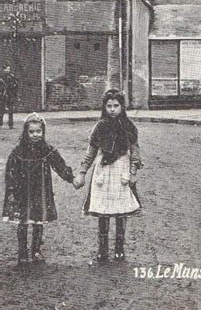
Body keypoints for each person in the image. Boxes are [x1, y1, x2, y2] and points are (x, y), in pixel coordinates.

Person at [74, 89, 142, 264]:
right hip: (103, 172)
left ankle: (119, 249)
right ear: (104, 107)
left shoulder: (128, 126)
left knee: (121, 210)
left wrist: (133, 171)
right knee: (103, 210)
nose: (113, 109)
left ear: (122, 107)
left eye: (116, 106)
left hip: (122, 170)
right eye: (109, 106)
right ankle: (102, 250)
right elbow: (90, 153)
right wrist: (82, 172)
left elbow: (135, 151)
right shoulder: (100, 127)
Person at [2, 113, 75, 268]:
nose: (35, 135)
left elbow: (59, 165)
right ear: (25, 132)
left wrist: (71, 178)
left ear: (43, 132)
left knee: (38, 221)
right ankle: (22, 251)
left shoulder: (47, 150)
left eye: (38, 131)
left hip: (40, 191)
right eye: (31, 132)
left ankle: (36, 250)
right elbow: (10, 170)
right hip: (23, 191)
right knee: (22, 221)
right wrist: (12, 187)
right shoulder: (18, 151)